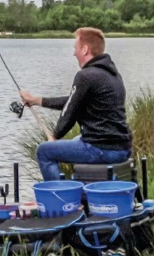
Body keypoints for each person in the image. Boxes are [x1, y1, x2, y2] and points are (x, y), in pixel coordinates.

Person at [20, 27, 131, 181]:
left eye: (75, 48)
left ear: (85, 50)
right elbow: (73, 100)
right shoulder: (111, 74)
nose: (74, 53)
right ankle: (80, 191)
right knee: (74, 141)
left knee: (44, 151)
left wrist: (54, 136)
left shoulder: (85, 76)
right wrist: (36, 100)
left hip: (101, 149)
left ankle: (60, 198)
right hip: (122, 148)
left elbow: (69, 112)